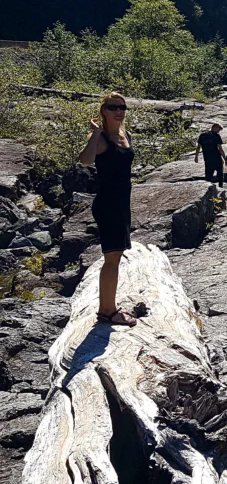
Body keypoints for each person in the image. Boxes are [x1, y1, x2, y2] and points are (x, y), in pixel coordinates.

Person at [78, 93, 137, 327]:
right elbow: (85, 160)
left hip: (122, 202)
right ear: (103, 111)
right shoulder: (102, 139)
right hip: (108, 203)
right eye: (113, 107)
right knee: (111, 258)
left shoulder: (126, 136)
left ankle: (107, 307)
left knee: (117, 256)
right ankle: (108, 312)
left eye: (122, 107)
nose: (119, 111)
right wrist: (94, 133)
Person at [194, 122, 225, 187]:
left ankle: (209, 188)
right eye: (219, 129)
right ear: (215, 128)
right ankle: (221, 187)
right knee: (220, 174)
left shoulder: (202, 135)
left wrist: (196, 156)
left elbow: (198, 147)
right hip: (216, 158)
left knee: (208, 175)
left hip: (207, 158)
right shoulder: (217, 136)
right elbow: (220, 149)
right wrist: (224, 158)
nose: (219, 131)